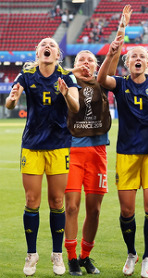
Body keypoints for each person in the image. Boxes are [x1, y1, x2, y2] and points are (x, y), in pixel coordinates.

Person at [63, 5, 132, 276]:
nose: (86, 62)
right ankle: (70, 257)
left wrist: (121, 30)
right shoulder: (66, 81)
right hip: (71, 152)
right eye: (81, 58)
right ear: (74, 64)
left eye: (90, 59)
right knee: (71, 206)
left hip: (98, 151)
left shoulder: (103, 82)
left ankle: (85, 255)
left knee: (94, 209)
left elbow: (113, 56)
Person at [97, 36, 148, 278]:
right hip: (126, 153)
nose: (138, 59)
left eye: (142, 56)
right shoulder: (119, 84)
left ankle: (147, 257)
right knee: (127, 211)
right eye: (133, 57)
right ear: (126, 63)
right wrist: (111, 53)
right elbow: (100, 79)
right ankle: (132, 253)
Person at [6, 37, 79, 276]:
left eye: (52, 45)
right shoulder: (26, 74)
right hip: (32, 146)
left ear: (57, 54)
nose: (47, 46)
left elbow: (76, 107)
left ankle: (57, 255)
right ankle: (31, 254)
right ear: (37, 52)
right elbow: (9, 103)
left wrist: (66, 94)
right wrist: (12, 99)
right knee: (31, 200)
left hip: (58, 146)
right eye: (43, 44)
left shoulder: (67, 76)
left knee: (57, 202)